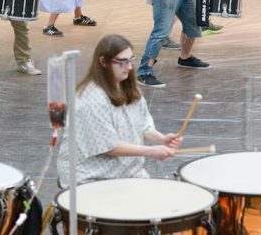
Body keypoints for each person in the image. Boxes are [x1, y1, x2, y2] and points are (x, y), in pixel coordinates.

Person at [57, 35, 182, 185]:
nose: (129, 67)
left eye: (131, 60)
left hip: (127, 171)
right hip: (92, 176)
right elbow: (109, 146)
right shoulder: (90, 99)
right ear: (103, 62)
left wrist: (161, 139)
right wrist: (151, 151)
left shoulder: (126, 85)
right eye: (122, 62)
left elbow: (142, 122)